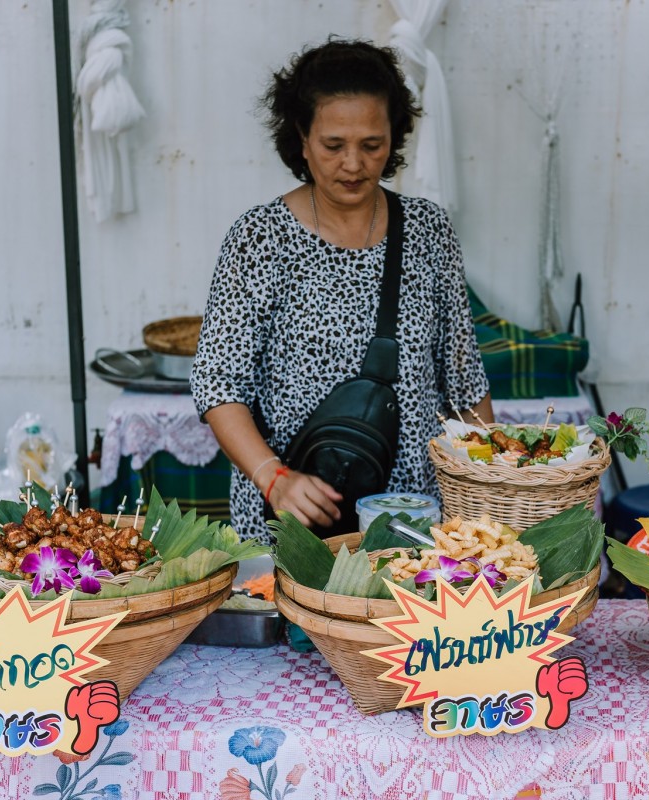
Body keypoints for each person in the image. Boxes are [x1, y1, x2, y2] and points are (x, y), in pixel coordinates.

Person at [191, 38, 492, 543]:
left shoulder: (428, 232)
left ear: (393, 138)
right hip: (292, 519)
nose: (353, 164)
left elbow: (463, 384)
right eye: (334, 145)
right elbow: (219, 383)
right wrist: (273, 478)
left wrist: (483, 502)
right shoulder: (259, 238)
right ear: (302, 140)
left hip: (409, 522)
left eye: (371, 144)